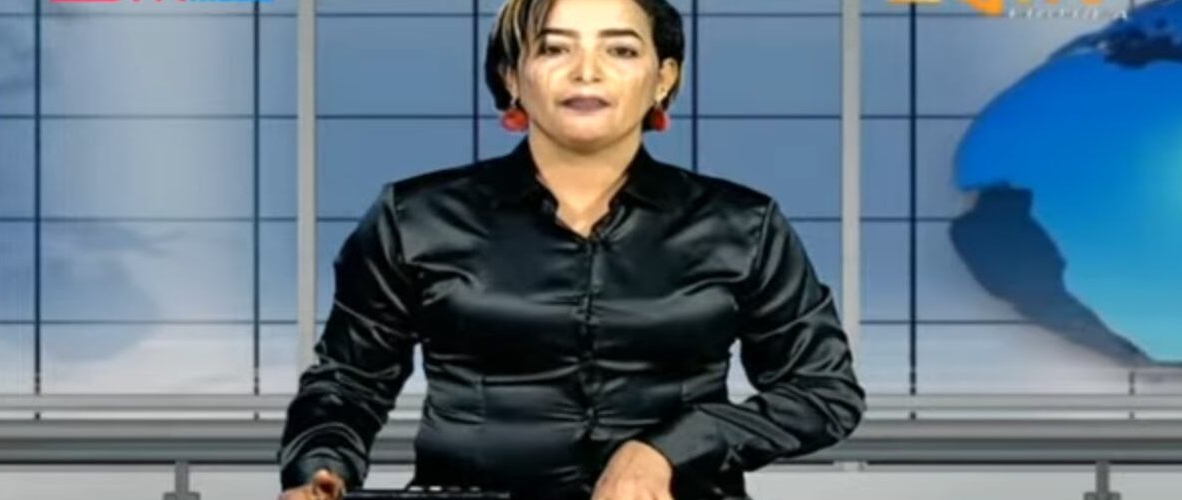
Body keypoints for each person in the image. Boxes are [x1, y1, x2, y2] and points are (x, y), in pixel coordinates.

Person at [276, 0, 866, 499]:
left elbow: (822, 392)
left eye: (621, 50)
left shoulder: (742, 224)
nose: (587, 72)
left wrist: (670, 448)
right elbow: (347, 383)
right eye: (554, 48)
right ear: (512, 75)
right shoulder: (415, 218)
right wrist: (320, 469)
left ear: (663, 78)